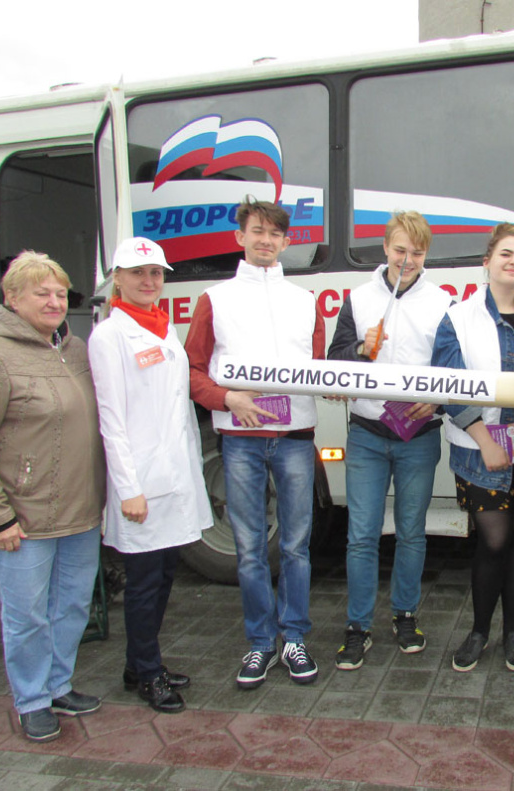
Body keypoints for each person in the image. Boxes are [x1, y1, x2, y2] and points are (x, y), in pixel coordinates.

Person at [0, 251, 106, 743]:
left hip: (81, 513)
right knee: (26, 616)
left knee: (72, 608)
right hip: (24, 517)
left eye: (61, 293)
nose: (54, 301)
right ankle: (31, 700)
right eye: (41, 293)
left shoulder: (76, 350)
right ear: (11, 298)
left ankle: (59, 685)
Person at [186, 197, 326, 688]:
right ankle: (260, 643)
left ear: (287, 243)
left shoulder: (305, 301)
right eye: (257, 231)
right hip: (240, 441)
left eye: (275, 234)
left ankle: (294, 638)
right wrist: (228, 399)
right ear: (239, 237)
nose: (266, 241)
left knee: (295, 547)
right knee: (249, 550)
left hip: (295, 438)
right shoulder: (214, 299)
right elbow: (193, 370)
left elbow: (318, 368)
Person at [88, 237, 212, 714]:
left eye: (156, 273)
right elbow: (111, 419)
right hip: (141, 484)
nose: (148, 281)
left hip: (174, 475)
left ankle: (137, 665)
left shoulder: (163, 328)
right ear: (117, 278)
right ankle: (149, 672)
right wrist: (128, 489)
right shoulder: (109, 336)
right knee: (143, 581)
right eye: (138, 273)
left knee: (162, 576)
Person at [327, 211, 452, 670]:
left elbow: (451, 370)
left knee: (412, 534)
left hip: (417, 435)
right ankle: (357, 627)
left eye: (417, 253)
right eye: (400, 250)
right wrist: (360, 349)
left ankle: (404, 615)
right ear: (385, 247)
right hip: (365, 434)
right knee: (360, 536)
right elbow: (333, 361)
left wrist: (437, 402)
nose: (407, 260)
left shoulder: (443, 303)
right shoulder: (358, 299)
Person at [431, 223, 514, 672]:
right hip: (481, 450)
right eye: (506, 255)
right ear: (487, 262)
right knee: (492, 540)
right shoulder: (458, 317)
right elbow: (448, 383)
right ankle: (479, 631)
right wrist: (482, 439)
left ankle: (512, 632)